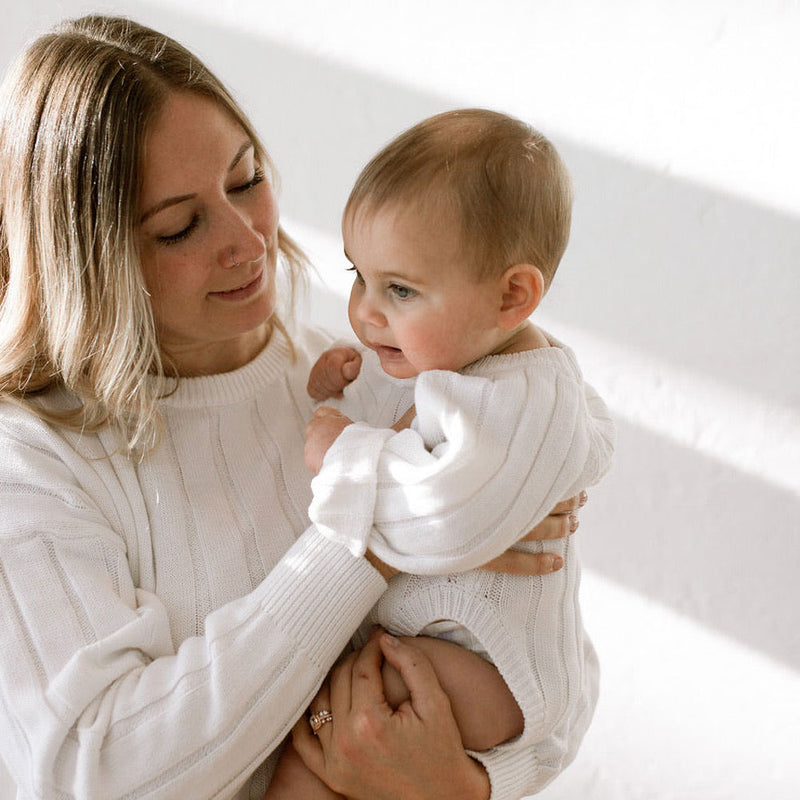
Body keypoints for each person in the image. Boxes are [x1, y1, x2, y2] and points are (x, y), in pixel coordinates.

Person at [0, 16, 586, 800]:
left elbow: (550, 659)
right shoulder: (33, 459)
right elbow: (92, 773)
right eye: (180, 227)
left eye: (246, 180)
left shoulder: (393, 379)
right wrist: (371, 532)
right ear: (89, 262)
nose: (248, 241)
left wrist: (468, 783)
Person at [266, 109, 616, 798]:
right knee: (323, 733)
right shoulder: (465, 359)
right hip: (445, 643)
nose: (364, 312)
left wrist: (343, 453)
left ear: (512, 296)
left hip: (489, 663)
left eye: (399, 290)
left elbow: (441, 515)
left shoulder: (521, 398)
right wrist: (346, 391)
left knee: (323, 734)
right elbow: (412, 436)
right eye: (359, 276)